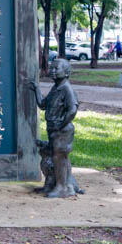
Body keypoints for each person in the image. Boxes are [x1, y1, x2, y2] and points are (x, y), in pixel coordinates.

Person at [27, 58, 82, 198]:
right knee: (57, 157)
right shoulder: (55, 88)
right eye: (51, 68)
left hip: (62, 131)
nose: (52, 70)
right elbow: (42, 104)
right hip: (53, 130)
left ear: (66, 72)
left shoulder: (66, 89)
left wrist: (61, 124)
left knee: (60, 157)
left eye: (56, 68)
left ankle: (62, 187)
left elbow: (72, 110)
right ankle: (62, 184)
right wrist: (36, 89)